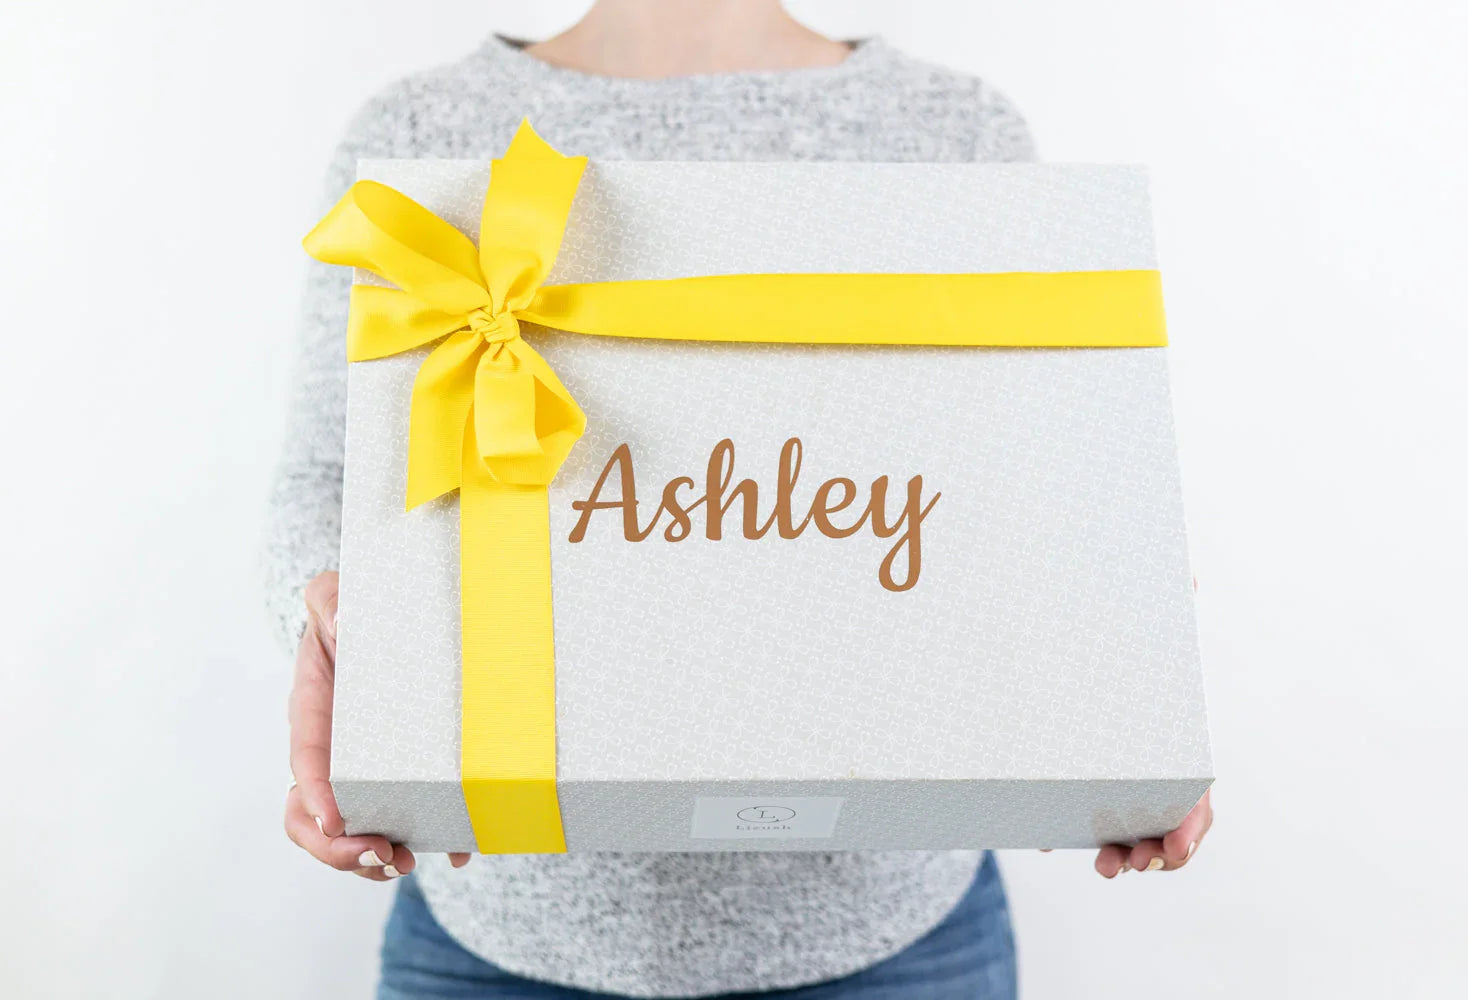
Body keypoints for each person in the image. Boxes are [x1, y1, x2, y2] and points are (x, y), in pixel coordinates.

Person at [270, 2, 1214, 997]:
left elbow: (1027, 481)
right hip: (495, 942)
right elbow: (321, 483)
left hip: (901, 940)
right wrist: (334, 618)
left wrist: (1126, 686)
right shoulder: (422, 126)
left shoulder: (955, 125)